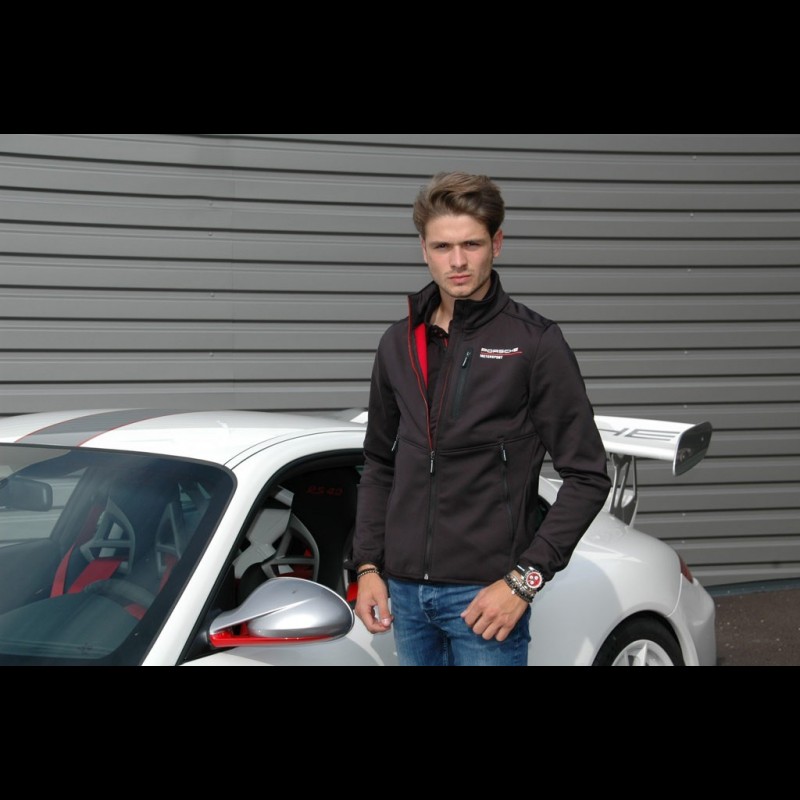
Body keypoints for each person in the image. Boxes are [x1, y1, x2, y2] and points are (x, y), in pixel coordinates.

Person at [352, 172, 611, 666]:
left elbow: (588, 476)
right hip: (405, 596)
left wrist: (524, 581)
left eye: (471, 244)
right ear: (423, 250)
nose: (457, 261)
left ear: (497, 244)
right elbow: (379, 463)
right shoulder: (397, 343)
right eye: (442, 246)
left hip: (485, 598)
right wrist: (367, 566)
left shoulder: (535, 343)